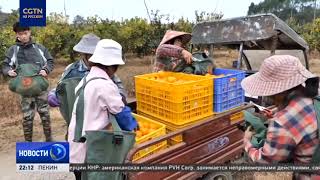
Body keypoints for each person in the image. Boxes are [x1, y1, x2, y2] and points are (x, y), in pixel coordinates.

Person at [67, 39, 137, 180]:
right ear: (111, 66)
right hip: (90, 151)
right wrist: (135, 126)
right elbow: (121, 113)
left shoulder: (85, 80)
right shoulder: (104, 85)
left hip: (75, 148)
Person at [241, 55, 320, 179]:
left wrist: (247, 142)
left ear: (279, 92)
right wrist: (277, 114)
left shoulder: (283, 122)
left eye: (270, 94)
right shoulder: (314, 94)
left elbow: (265, 162)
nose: (270, 98)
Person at [2, 22, 54, 142]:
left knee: (45, 114)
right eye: (20, 34)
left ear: (30, 32)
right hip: (25, 89)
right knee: (27, 117)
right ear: (16, 35)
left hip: (41, 88)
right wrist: (9, 72)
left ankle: (49, 139)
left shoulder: (39, 48)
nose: (24, 36)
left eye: (25, 33)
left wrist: (46, 70)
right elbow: (5, 65)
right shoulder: (13, 50)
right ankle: (28, 143)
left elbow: (50, 61)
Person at [48, 33, 127, 109]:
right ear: (83, 54)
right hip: (77, 115)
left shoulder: (105, 69)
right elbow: (61, 86)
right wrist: (53, 94)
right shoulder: (72, 69)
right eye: (91, 55)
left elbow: (119, 89)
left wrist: (117, 98)